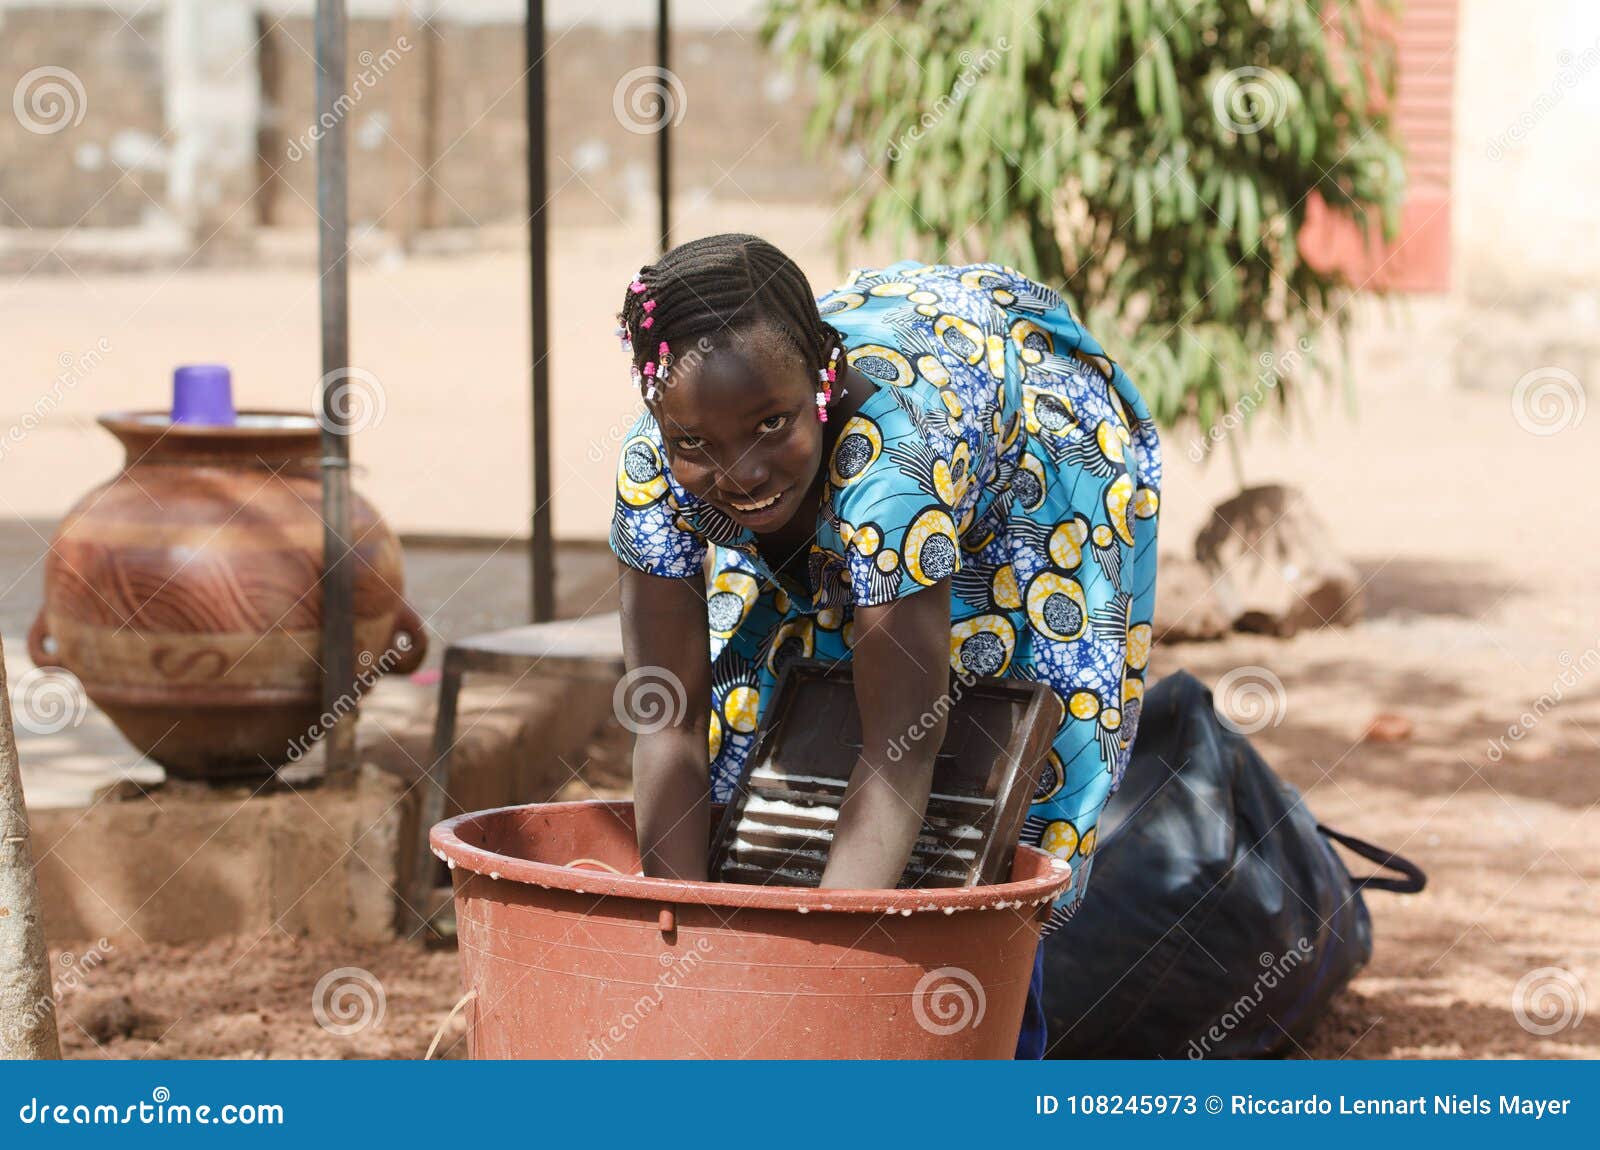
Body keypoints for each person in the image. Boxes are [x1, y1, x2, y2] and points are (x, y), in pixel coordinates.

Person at [608, 233, 1161, 1058]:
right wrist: (690, 950)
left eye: (771, 425)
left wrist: (820, 986)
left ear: (821, 384)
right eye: (698, 444)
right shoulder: (658, 468)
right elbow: (668, 722)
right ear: (663, 420)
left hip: (1028, 478)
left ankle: (991, 1064)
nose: (742, 471)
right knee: (763, 740)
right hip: (856, 495)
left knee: (998, 800)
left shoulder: (896, 472)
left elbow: (904, 747)